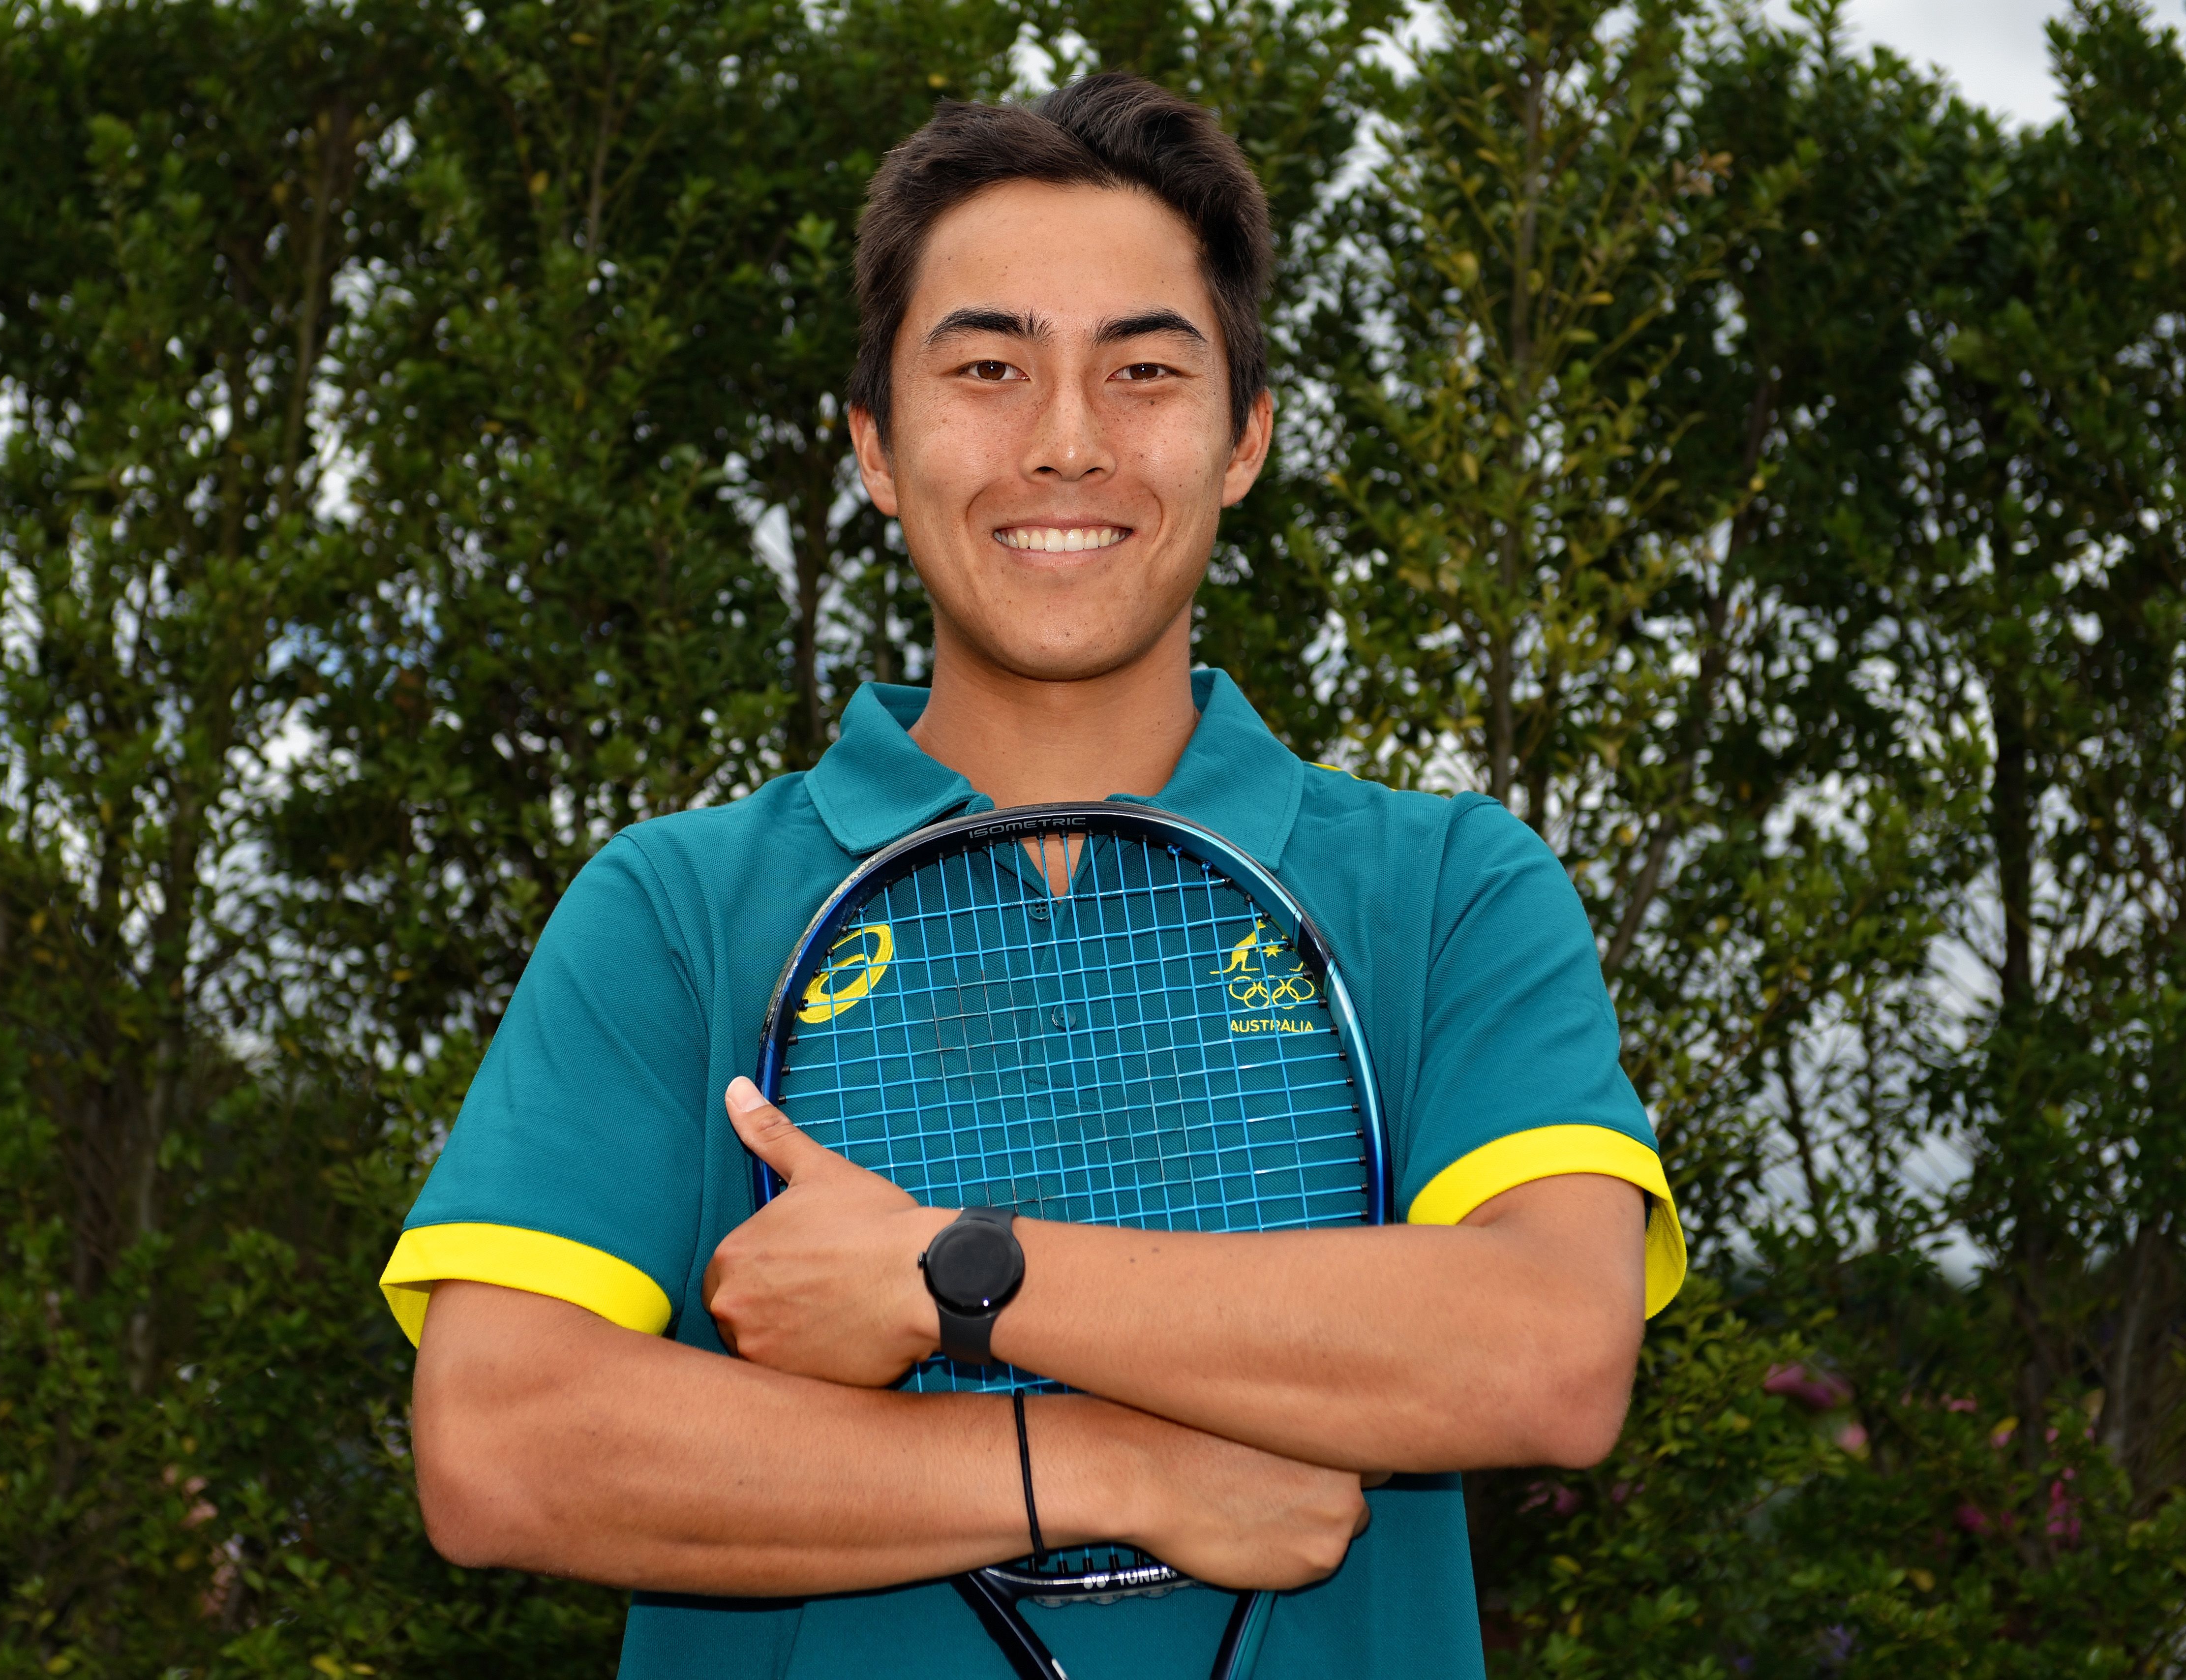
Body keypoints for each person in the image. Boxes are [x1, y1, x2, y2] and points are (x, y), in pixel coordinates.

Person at [380, 71, 1687, 1680]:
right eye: (987, 368)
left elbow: (1550, 1354)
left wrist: (947, 1276)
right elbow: (501, 1444)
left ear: (1243, 441)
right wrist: (1102, 1465)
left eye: (1143, 371)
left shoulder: (1450, 887)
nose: (1066, 443)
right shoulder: (672, 908)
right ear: (873, 443)